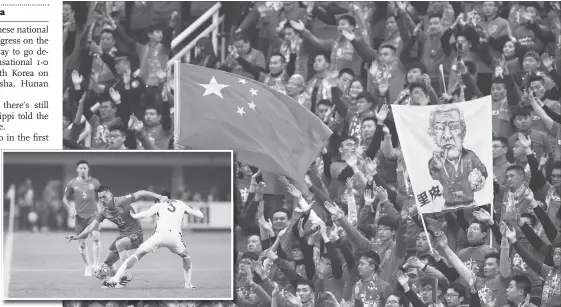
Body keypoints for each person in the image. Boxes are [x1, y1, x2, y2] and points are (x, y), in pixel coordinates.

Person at [66, 185, 168, 288]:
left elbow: (140, 193)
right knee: (107, 264)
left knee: (120, 244)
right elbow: (91, 226)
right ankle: (116, 282)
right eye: (100, 197)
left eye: (104, 197)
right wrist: (78, 236)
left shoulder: (122, 201)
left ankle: (126, 274)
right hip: (123, 234)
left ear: (110, 195)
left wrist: (160, 197)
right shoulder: (103, 211)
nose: (102, 200)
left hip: (136, 233)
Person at [105, 190, 205, 289]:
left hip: (159, 236)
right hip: (175, 238)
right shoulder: (180, 203)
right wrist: (197, 210)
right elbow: (200, 215)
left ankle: (115, 279)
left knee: (136, 255)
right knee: (186, 256)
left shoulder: (159, 205)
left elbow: (146, 214)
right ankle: (188, 284)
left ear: (161, 198)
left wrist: (133, 215)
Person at [428, 104, 488, 207]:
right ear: (433, 135)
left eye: (454, 127)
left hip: (471, 206)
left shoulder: (471, 156)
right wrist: (439, 166)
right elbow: (434, 179)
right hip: (448, 208)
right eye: (440, 128)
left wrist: (481, 178)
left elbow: (483, 170)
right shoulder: (434, 161)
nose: (447, 136)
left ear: (463, 132)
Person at [63, 160, 102, 276]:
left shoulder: (95, 182)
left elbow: (102, 195)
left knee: (95, 237)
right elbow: (65, 199)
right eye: (81, 168)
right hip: (80, 217)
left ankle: (96, 264)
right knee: (82, 244)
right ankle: (87, 266)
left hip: (93, 214)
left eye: (85, 168)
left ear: (88, 169)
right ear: (77, 170)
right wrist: (70, 209)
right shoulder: (72, 183)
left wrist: (101, 209)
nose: (83, 170)